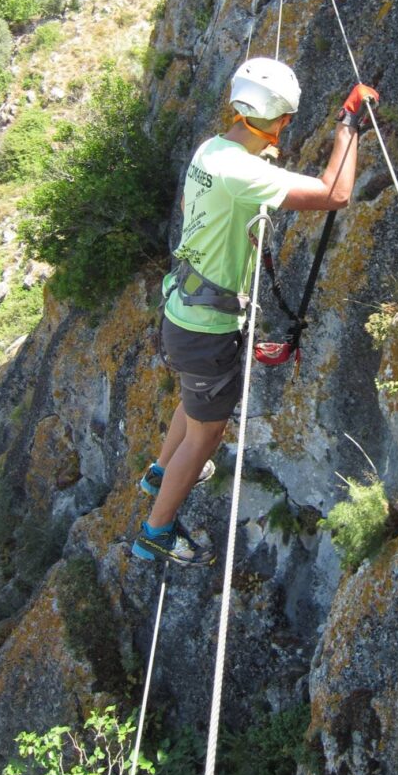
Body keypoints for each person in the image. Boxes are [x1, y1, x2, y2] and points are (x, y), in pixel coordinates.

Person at [131, 57, 379, 565]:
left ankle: (159, 471)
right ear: (283, 120)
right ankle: (156, 531)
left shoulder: (213, 151)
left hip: (184, 310)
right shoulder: (243, 174)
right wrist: (348, 126)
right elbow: (336, 194)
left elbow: (213, 198)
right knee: (208, 432)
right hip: (206, 330)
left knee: (193, 400)